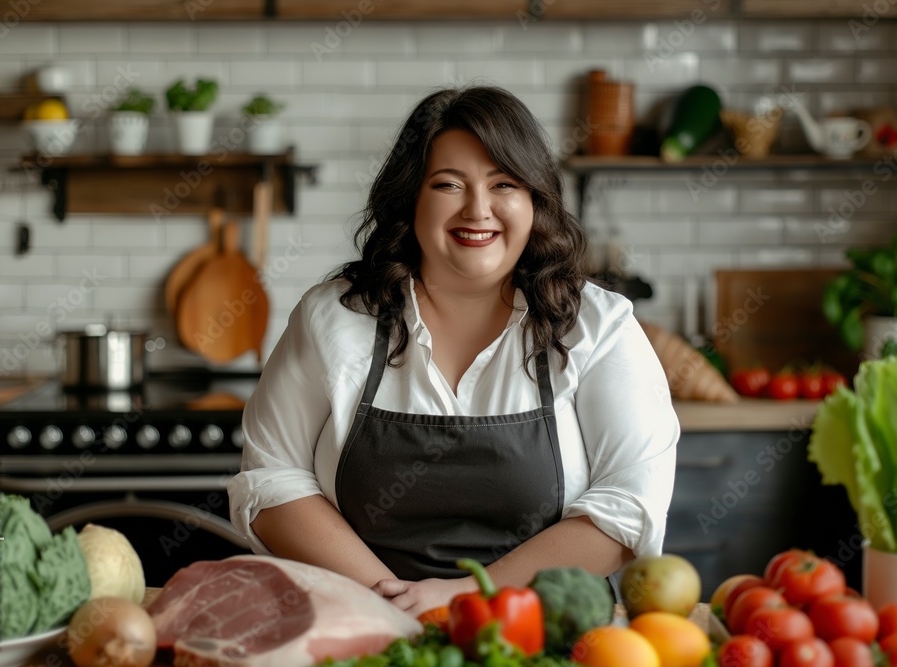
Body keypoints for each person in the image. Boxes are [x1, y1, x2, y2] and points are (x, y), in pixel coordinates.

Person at [227, 85, 679, 617]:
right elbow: (272, 478)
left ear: (534, 199)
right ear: (410, 198)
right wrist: (394, 604)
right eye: (448, 184)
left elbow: (628, 507)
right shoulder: (334, 318)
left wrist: (467, 595)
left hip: (541, 636)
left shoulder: (599, 327)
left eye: (504, 184)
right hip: (366, 629)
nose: (478, 209)